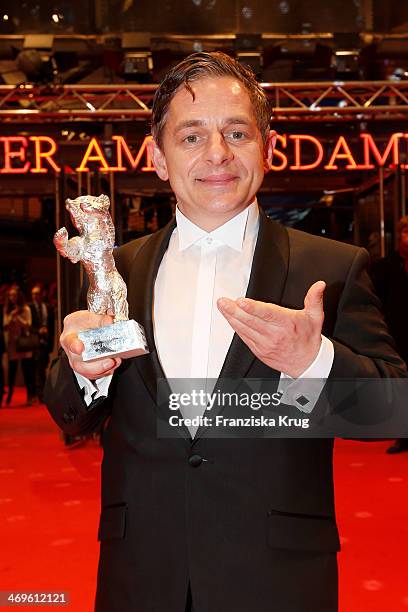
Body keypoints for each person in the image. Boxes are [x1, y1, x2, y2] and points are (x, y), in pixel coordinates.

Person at [44, 52, 407, 612]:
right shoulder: (116, 269)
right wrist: (83, 374)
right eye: (190, 137)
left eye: (236, 132)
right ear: (157, 158)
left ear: (268, 145)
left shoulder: (332, 268)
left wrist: (313, 363)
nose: (217, 153)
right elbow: (69, 410)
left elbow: (392, 410)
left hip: (278, 579)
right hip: (140, 575)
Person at [371, 215, 408, 453]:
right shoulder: (385, 266)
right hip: (398, 336)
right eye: (406, 232)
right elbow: (375, 302)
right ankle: (403, 436)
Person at [3, 285, 35, 406]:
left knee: (27, 372)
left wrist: (18, 318)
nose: (12, 297)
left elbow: (28, 325)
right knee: (12, 371)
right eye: (10, 295)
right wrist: (12, 316)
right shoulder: (7, 310)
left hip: (24, 343)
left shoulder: (26, 309)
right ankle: (9, 396)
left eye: (14, 295)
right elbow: (5, 326)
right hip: (12, 344)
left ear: (19, 296)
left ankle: (30, 396)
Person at [28, 284, 55, 403]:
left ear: (41, 295)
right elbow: (28, 325)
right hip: (33, 341)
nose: (35, 296)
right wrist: (38, 330)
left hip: (45, 342)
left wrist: (51, 345)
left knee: (43, 367)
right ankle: (39, 394)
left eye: (37, 294)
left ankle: (41, 393)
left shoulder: (47, 307)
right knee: (36, 369)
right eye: (33, 294)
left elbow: (52, 327)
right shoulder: (29, 308)